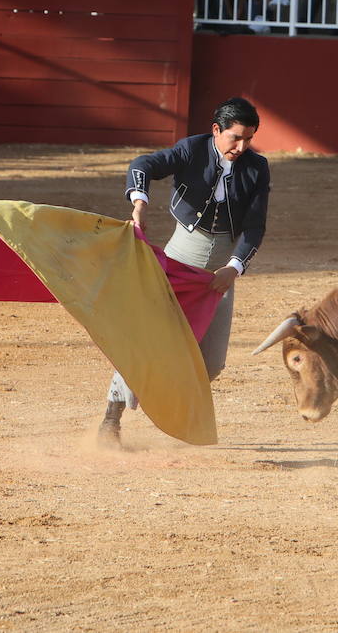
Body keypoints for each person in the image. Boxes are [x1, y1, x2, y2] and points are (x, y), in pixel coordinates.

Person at [98, 97, 270, 446]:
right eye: (235, 138)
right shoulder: (192, 149)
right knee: (150, 342)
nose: (241, 146)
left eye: (248, 139)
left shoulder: (257, 167)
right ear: (216, 130)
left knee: (209, 364)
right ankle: (111, 419)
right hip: (180, 258)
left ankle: (165, 405)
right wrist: (140, 201)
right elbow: (143, 164)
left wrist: (234, 268)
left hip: (220, 273)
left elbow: (254, 227)